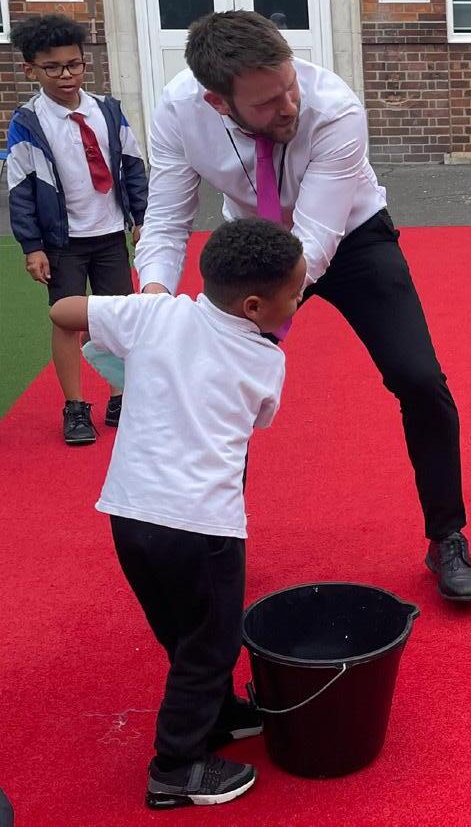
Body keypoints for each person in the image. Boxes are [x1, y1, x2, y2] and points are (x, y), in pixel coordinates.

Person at [133, 10, 471, 602]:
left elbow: (315, 243)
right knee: (216, 384)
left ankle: (447, 536)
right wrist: (155, 302)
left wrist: (258, 320)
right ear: (219, 102)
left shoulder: (335, 107)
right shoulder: (177, 111)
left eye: (290, 85)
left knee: (419, 378)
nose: (289, 105)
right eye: (267, 102)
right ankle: (216, 544)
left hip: (351, 237)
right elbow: (166, 218)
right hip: (253, 241)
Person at [50, 218, 305, 808]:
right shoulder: (265, 359)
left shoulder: (154, 314)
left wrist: (138, 342)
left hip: (129, 514)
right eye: (294, 295)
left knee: (181, 628)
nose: (297, 303)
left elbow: (65, 312)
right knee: (211, 642)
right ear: (253, 306)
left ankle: (215, 714)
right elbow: (257, 418)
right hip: (201, 524)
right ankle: (176, 765)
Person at [6, 13, 148, 444]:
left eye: (74, 64)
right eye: (52, 68)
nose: (66, 75)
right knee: (67, 321)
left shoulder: (108, 110)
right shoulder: (28, 122)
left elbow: (132, 166)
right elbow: (21, 188)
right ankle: (75, 405)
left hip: (109, 234)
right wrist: (32, 246)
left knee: (117, 318)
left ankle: (121, 395)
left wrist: (141, 219)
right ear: (30, 70)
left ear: (85, 62)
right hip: (61, 242)